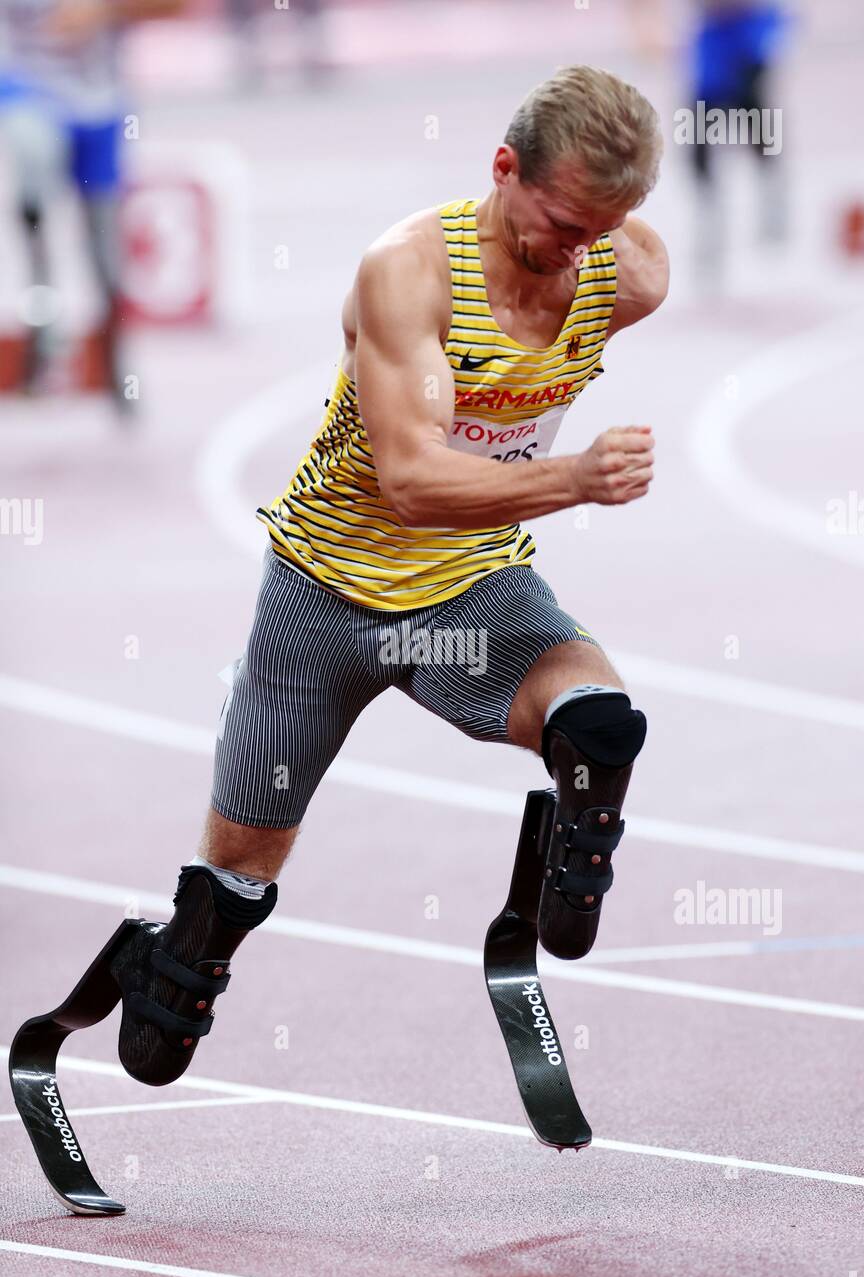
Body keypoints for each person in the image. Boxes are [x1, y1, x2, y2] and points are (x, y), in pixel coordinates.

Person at [72, 65, 670, 1087]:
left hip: (470, 587)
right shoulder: (410, 274)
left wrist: (585, 259)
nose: (579, 253)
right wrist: (571, 475)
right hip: (323, 596)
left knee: (600, 723)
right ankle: (174, 958)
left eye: (600, 232)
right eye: (562, 223)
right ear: (502, 167)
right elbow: (409, 481)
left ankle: (567, 873)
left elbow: (598, 270)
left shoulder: (629, 271)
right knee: (223, 908)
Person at [0, 0, 186, 402]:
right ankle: (42, 334)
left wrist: (106, 9)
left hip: (97, 107)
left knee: (103, 247)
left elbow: (177, 7)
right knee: (33, 171)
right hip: (27, 91)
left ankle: (115, 359)